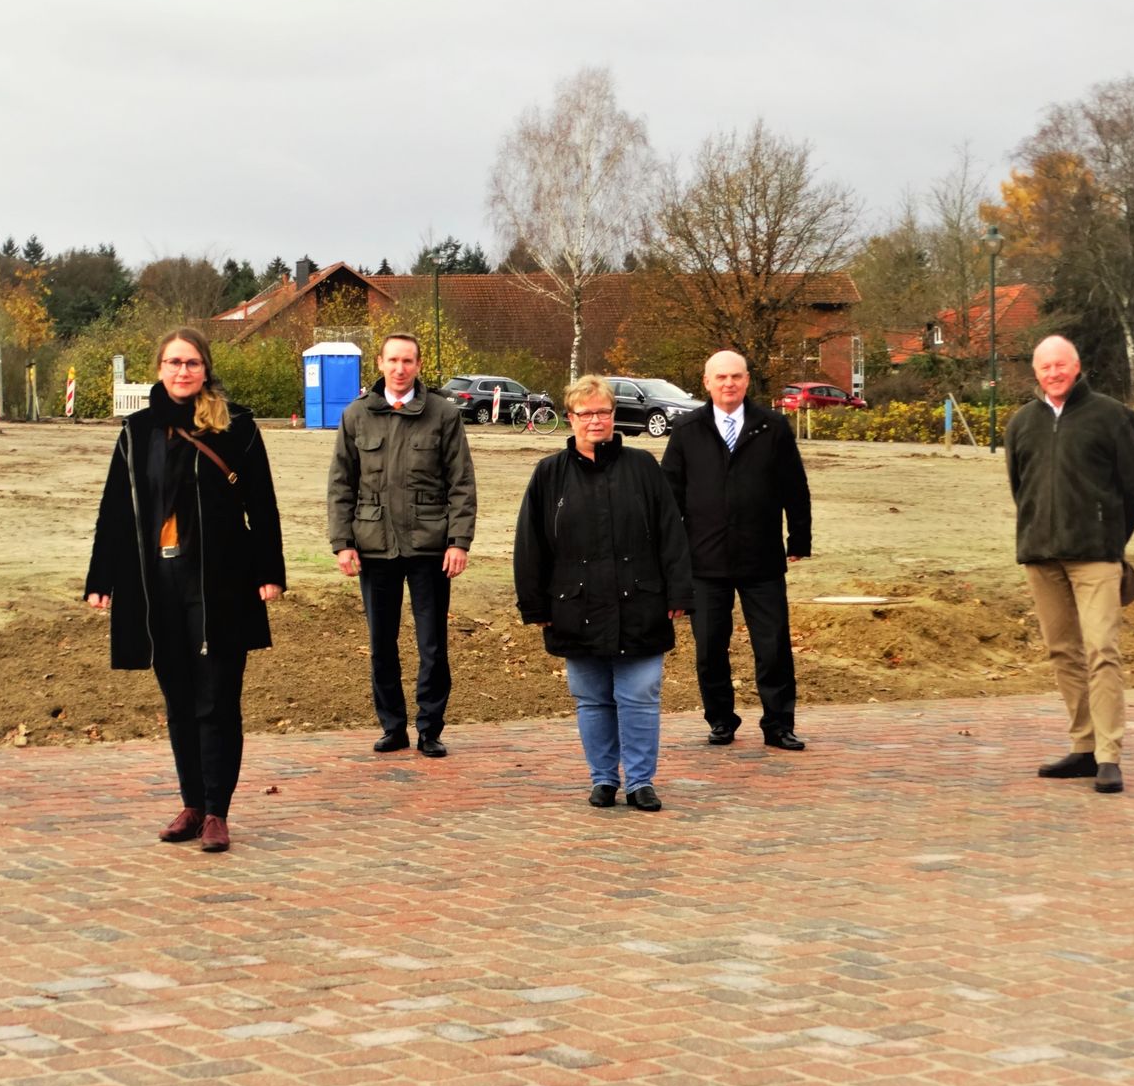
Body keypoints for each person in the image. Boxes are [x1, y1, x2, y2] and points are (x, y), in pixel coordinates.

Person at [85, 327, 285, 854]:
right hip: (156, 582)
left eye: (192, 363)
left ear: (205, 369)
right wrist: (100, 579)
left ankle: (218, 811)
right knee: (177, 696)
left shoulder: (234, 425)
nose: (182, 371)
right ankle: (191, 803)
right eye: (173, 362)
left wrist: (270, 571)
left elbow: (261, 503)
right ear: (159, 368)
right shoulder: (137, 431)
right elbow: (115, 510)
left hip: (221, 579)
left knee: (218, 696)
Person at [515, 376, 693, 811]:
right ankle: (602, 778)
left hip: (642, 602)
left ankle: (639, 781)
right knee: (593, 700)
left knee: (639, 697)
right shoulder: (548, 475)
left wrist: (679, 593)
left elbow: (672, 532)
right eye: (586, 413)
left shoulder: (643, 468)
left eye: (603, 412)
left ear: (615, 416)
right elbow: (530, 544)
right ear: (570, 417)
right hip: (576, 606)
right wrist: (534, 604)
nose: (596, 420)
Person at [1005, 335, 1134, 794]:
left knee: (1102, 652)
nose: (1054, 372)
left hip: (1096, 556)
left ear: (1077, 365)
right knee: (1063, 651)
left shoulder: (1112, 417)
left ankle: (1110, 756)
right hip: (1041, 555)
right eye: (1045, 366)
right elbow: (1020, 485)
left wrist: (1109, 534)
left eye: (1061, 364)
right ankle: (1084, 747)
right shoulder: (1022, 423)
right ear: (1035, 372)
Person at [326, 332, 477, 758]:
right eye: (392, 360)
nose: (399, 368)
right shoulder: (357, 416)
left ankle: (430, 727)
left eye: (407, 360)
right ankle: (393, 726)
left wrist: (458, 541)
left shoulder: (442, 415)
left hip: (430, 548)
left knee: (432, 644)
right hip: (375, 547)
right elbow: (341, 484)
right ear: (379, 363)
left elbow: (461, 483)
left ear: (418, 364)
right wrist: (343, 543)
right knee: (382, 643)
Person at [661, 350, 811, 751]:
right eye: (721, 377)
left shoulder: (772, 427)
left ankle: (779, 724)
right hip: (704, 561)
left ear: (747, 381)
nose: (729, 384)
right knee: (710, 647)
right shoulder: (687, 429)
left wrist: (799, 539)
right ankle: (721, 720)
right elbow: (668, 498)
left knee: (773, 644)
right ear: (706, 382)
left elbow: (794, 488)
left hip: (761, 559)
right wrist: (669, 556)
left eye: (737, 377)